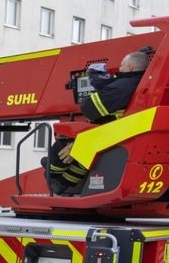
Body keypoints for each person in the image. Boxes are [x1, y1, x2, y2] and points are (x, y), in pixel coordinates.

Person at [47, 50, 149, 195]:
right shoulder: (139, 82)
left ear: (130, 68)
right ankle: (63, 182)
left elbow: (89, 108)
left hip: (111, 133)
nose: (119, 69)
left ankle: (51, 172)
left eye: (122, 65)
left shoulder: (121, 87)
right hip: (118, 131)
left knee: (66, 138)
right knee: (85, 147)